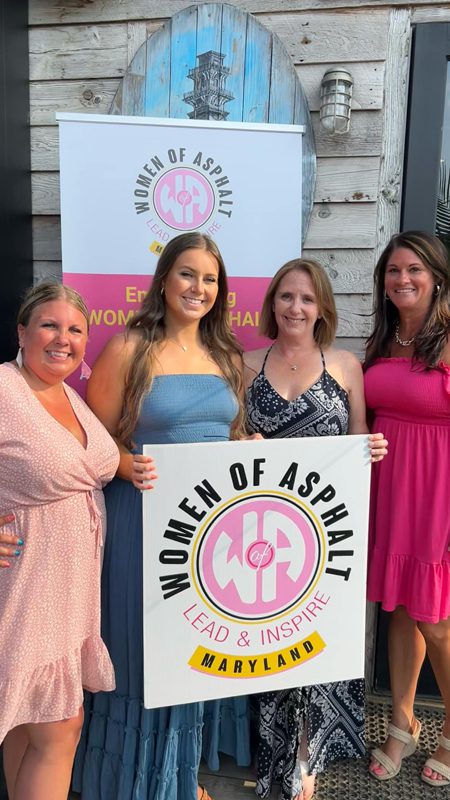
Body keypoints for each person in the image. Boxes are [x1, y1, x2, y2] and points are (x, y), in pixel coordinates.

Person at [72, 232, 251, 800]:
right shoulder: (128, 348)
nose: (198, 288)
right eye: (187, 274)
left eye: (210, 279)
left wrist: (249, 448)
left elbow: (229, 433)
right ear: (165, 279)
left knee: (196, 645)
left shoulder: (227, 355)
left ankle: (180, 773)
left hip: (211, 531)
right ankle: (133, 780)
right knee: (144, 648)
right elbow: (92, 439)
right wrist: (127, 465)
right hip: (143, 522)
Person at [244, 257, 387, 800]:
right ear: (272, 304)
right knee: (271, 641)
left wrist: (371, 448)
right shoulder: (245, 363)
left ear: (322, 307)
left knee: (315, 639)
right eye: (286, 296)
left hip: (327, 530)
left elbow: (359, 437)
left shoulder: (346, 366)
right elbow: (231, 441)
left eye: (307, 298)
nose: (296, 307)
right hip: (264, 531)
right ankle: (273, 751)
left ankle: (307, 754)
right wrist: (242, 442)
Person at [0, 283, 119, 800]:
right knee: (61, 727)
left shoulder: (69, 395)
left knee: (27, 724)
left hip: (69, 592)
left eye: (75, 330)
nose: (63, 339)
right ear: (22, 332)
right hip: (26, 585)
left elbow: (91, 468)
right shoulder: (5, 389)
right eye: (49, 325)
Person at [364, 231, 450, 787]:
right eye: (393, 271)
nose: (403, 279)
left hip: (438, 491)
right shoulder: (385, 338)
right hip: (390, 485)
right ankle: (402, 721)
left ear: (436, 277)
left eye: (414, 269)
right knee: (399, 607)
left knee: (435, 619)